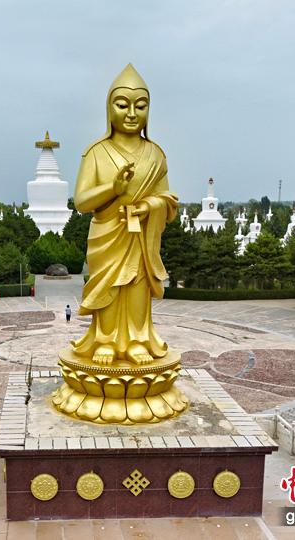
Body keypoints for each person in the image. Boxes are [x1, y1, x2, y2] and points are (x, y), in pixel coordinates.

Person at [70, 64, 178, 366]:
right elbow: (81, 201)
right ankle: (105, 340)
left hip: (140, 235)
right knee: (109, 286)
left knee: (136, 285)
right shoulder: (96, 152)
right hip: (108, 234)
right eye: (122, 105)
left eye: (140, 106)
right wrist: (113, 188)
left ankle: (138, 340)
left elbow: (167, 200)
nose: (131, 113)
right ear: (109, 109)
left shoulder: (155, 154)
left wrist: (150, 206)